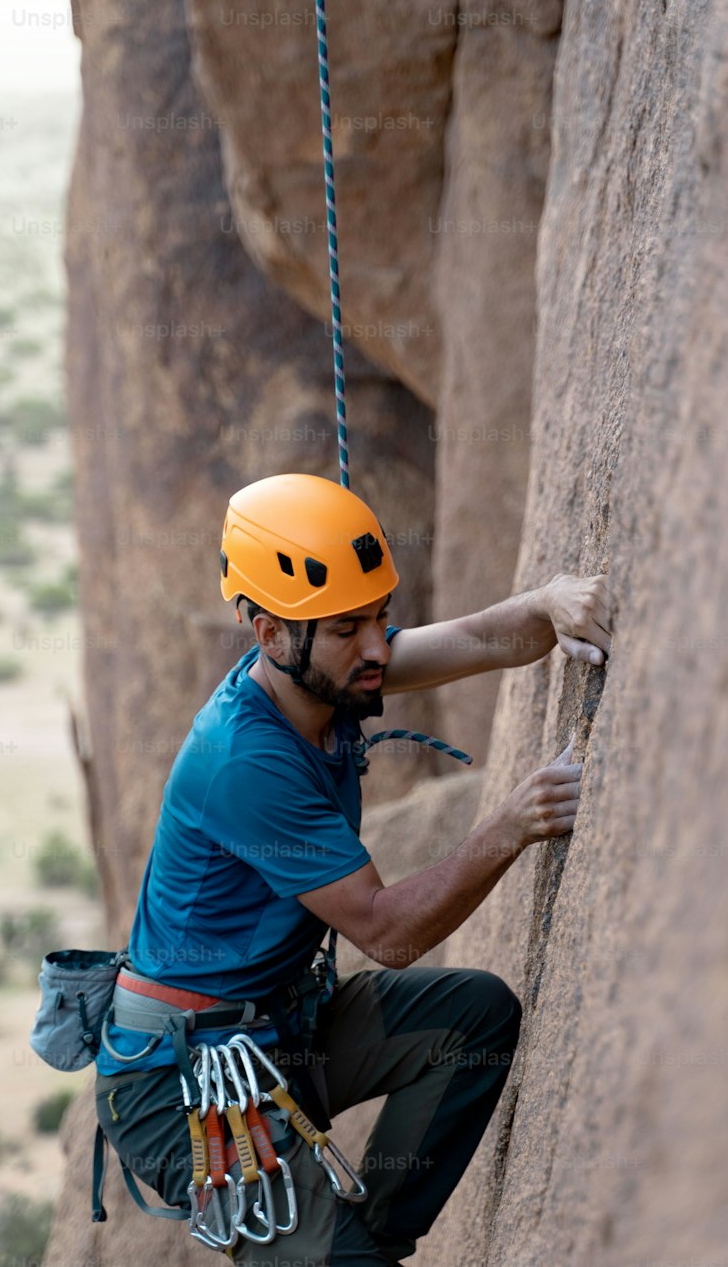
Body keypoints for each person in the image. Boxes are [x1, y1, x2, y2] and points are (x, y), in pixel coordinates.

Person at [94, 472, 612, 1265]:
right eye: (348, 628)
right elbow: (390, 933)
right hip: (188, 1083)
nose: (377, 648)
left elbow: (474, 641)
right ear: (269, 634)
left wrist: (548, 605)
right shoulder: (244, 761)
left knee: (472, 1020)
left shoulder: (324, 674)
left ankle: (365, 1246)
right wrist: (510, 826)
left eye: (379, 618)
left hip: (278, 1030)